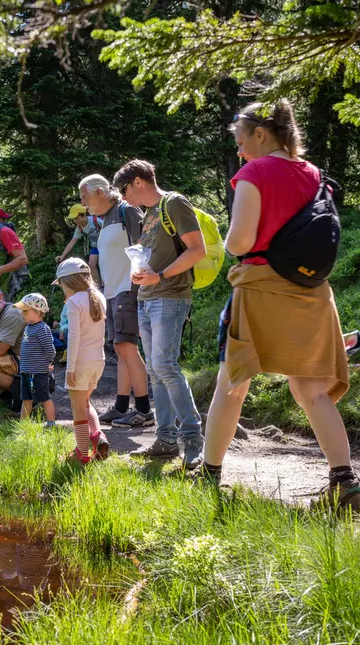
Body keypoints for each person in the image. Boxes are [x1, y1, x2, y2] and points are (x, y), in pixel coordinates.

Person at [198, 99, 360, 512]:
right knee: (310, 389)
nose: (238, 150)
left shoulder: (254, 172)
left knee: (233, 382)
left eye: (240, 141)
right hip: (311, 291)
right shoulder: (312, 173)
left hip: (261, 288)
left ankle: (209, 474)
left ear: (260, 133)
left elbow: (239, 243)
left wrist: (223, 238)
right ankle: (345, 483)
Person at [115, 159, 206, 469]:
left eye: (124, 188)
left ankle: (192, 438)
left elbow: (197, 250)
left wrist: (161, 276)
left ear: (138, 182)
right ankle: (166, 440)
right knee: (155, 371)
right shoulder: (149, 215)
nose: (123, 196)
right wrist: (142, 275)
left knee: (165, 365)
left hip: (170, 296)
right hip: (147, 298)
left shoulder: (174, 203)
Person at [77, 174, 154, 430]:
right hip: (112, 291)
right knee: (121, 348)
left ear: (99, 192)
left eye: (84, 197)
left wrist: (136, 287)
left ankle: (144, 410)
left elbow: (144, 247)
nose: (82, 203)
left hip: (127, 290)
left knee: (127, 347)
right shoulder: (106, 218)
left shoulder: (127, 210)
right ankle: (122, 405)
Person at [55, 258, 109, 465]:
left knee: (77, 407)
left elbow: (74, 337)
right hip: (98, 360)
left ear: (67, 282)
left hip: (81, 361)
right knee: (85, 402)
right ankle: (97, 436)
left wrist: (70, 367)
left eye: (61, 285)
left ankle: (82, 454)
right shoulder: (99, 297)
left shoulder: (74, 302)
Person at [14, 293, 57, 427]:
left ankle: (51, 424)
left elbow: (50, 350)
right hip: (26, 371)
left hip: (38, 372)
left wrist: (49, 362)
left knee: (44, 398)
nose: (22, 313)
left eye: (25, 311)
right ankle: (23, 426)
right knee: (25, 399)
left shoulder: (42, 329)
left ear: (38, 311)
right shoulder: (28, 328)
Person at [56, 204, 103, 284]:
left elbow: (109, 227)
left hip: (105, 245)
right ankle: (98, 287)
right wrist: (62, 256)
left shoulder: (95, 221)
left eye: (77, 218)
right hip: (95, 246)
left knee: (103, 264)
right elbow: (72, 242)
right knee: (91, 264)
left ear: (84, 215)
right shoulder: (80, 227)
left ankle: (105, 283)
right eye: (74, 219)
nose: (75, 221)